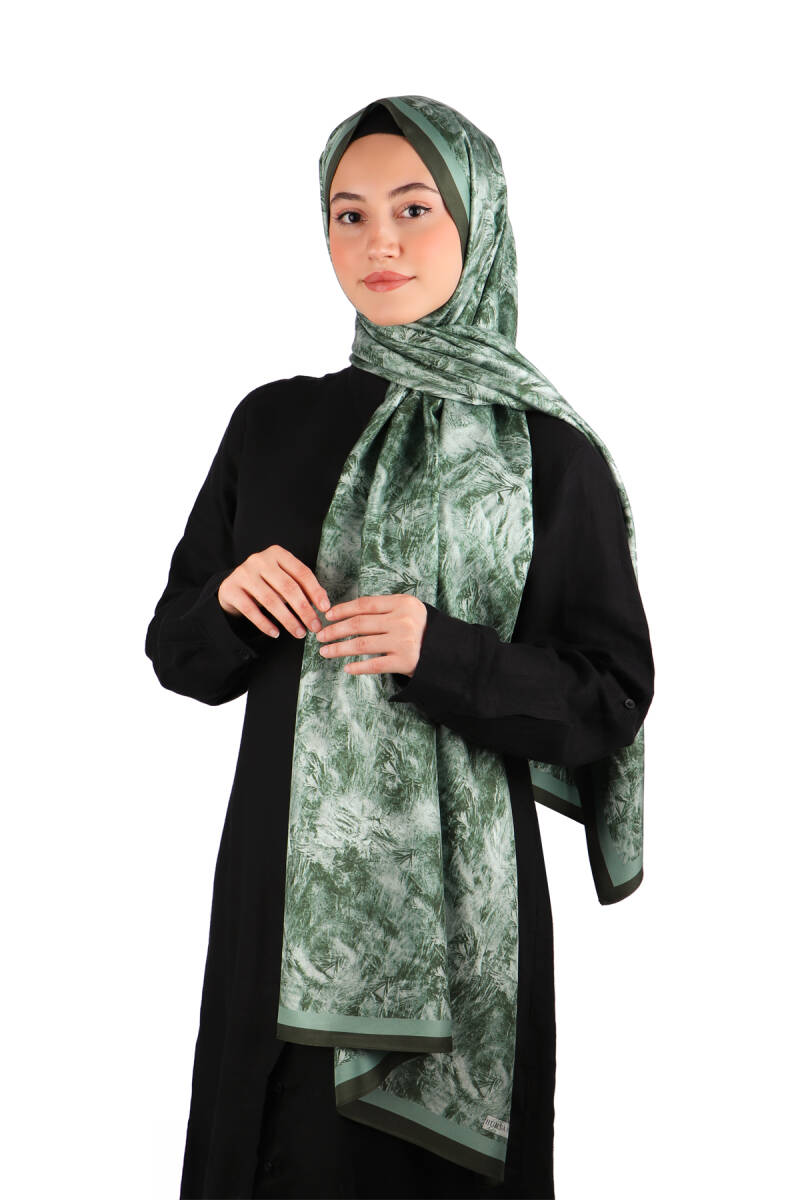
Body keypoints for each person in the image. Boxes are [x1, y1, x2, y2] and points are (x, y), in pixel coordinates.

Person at [145, 95, 655, 1200]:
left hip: (463, 927)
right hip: (278, 894)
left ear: (477, 221)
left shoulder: (547, 454)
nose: (379, 242)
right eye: (349, 213)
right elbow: (179, 653)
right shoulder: (269, 424)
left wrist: (445, 654)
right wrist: (225, 601)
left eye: (414, 209)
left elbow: (609, 696)